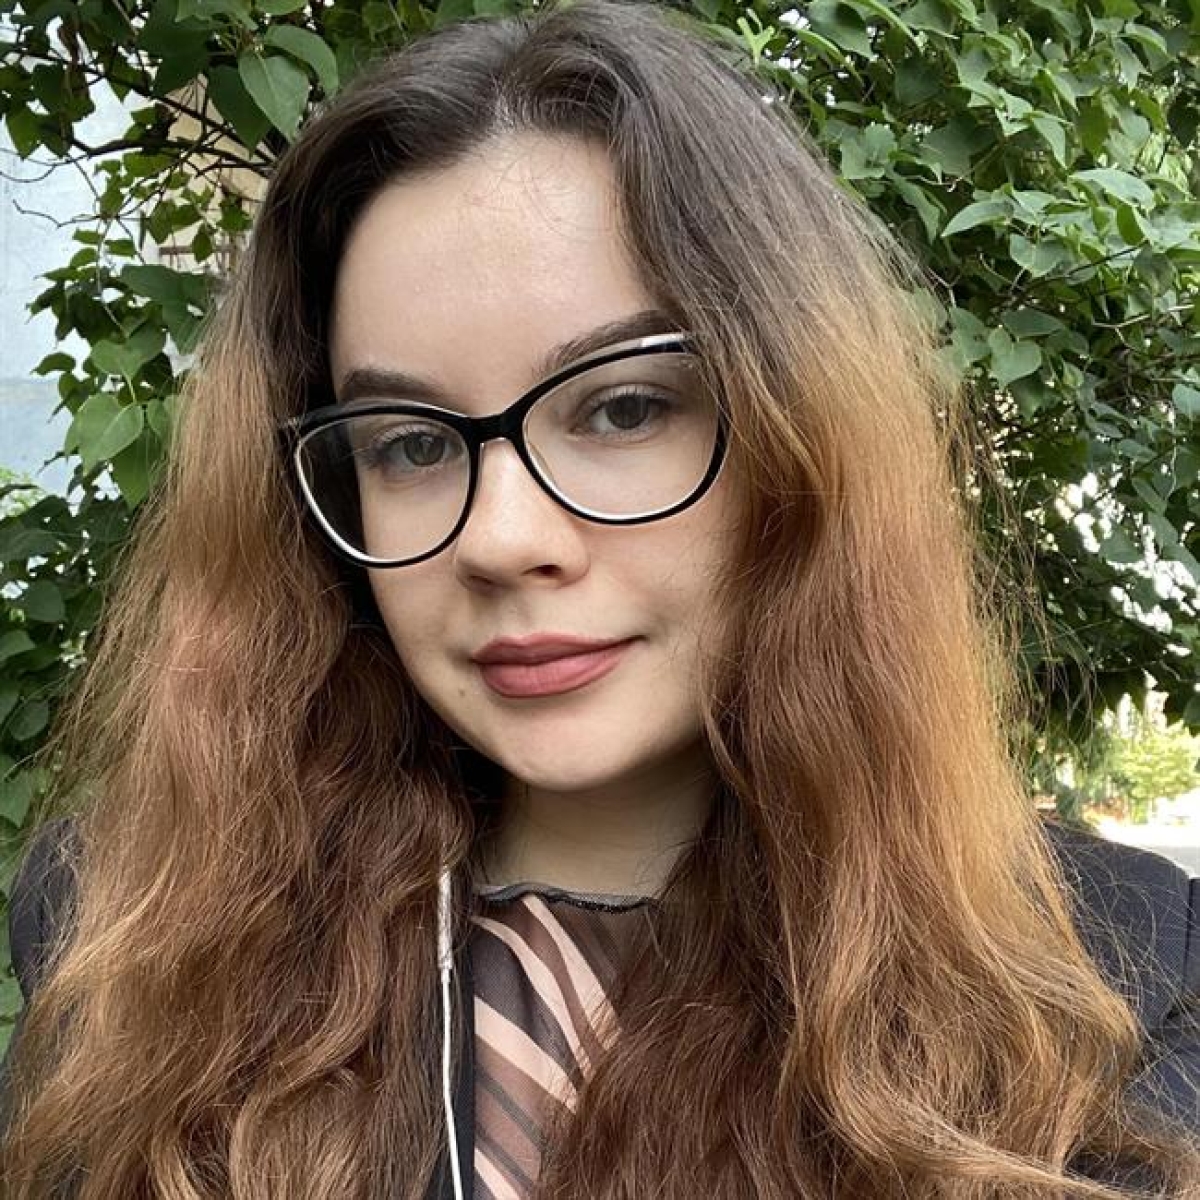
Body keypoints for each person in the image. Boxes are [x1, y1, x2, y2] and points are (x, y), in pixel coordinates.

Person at [1, 1, 1197, 1196]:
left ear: (800, 443)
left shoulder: (1114, 990)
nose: (503, 540)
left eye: (624, 409)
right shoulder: (137, 946)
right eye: (409, 442)